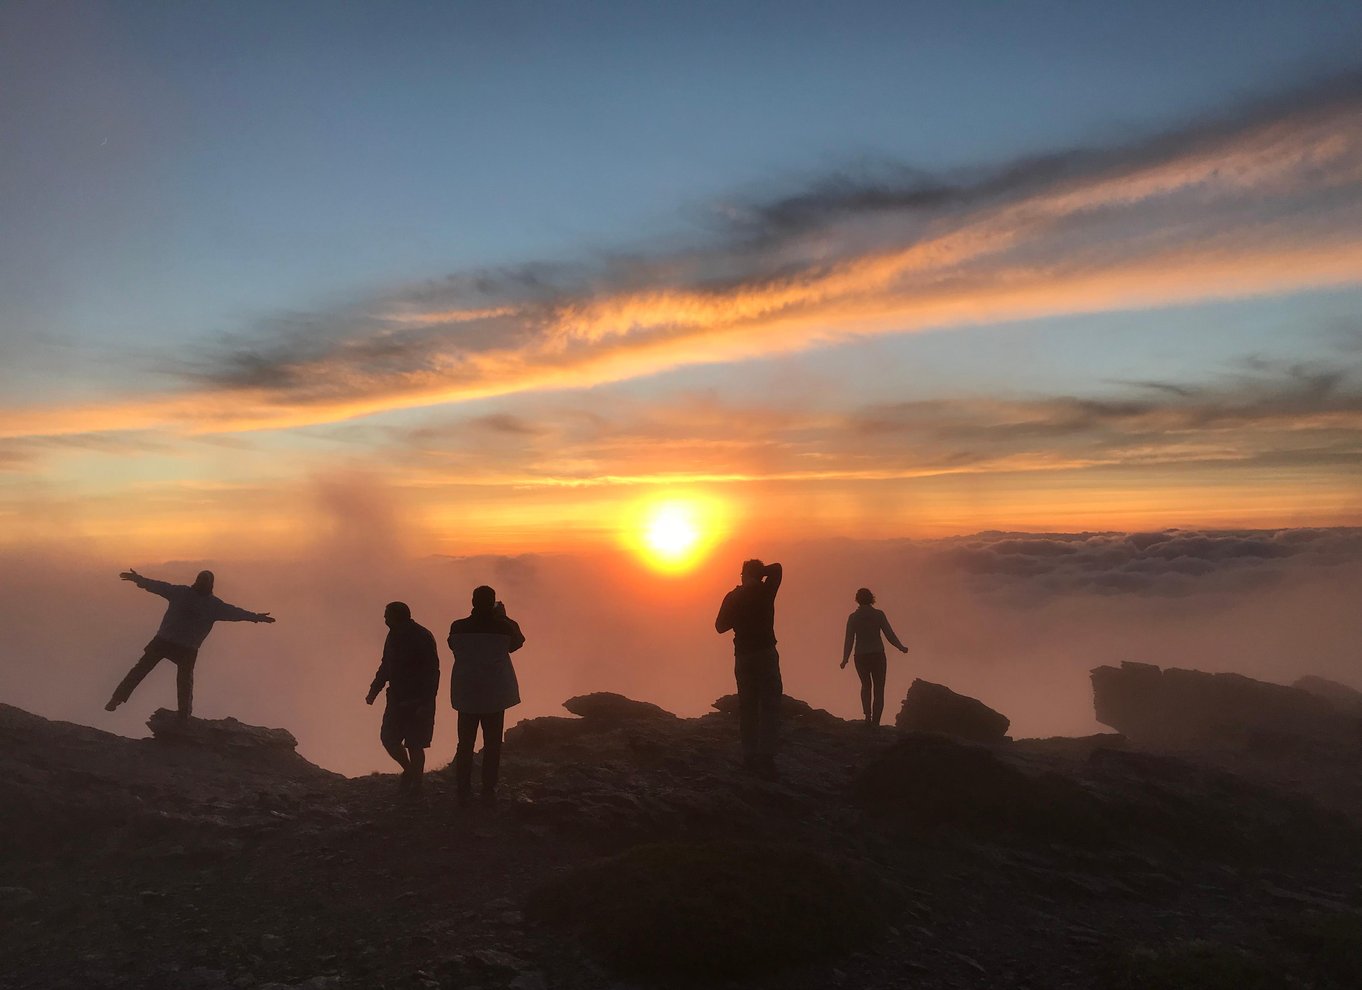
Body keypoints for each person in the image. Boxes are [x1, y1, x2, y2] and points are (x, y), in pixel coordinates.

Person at [105, 568, 274, 718]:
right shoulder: (210, 604)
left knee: (148, 672)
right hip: (181, 645)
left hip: (170, 642)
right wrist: (256, 617)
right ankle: (182, 715)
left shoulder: (188, 596)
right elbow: (236, 613)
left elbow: (158, 586)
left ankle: (119, 700)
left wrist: (256, 617)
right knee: (179, 680)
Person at [447, 586, 525, 808]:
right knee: (492, 744)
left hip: (467, 692)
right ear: (492, 603)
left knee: (465, 743)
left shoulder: (458, 626)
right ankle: (488, 789)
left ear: (472, 601)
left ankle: (463, 790)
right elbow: (518, 642)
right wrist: (503, 616)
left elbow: (452, 645)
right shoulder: (502, 627)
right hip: (494, 693)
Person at [715, 558, 783, 779]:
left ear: (744, 575)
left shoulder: (733, 597)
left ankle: (749, 755)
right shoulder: (766, 591)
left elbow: (720, 627)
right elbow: (777, 569)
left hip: (743, 656)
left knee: (748, 705)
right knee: (770, 704)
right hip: (765, 652)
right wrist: (757, 575)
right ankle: (767, 756)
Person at [366, 601, 440, 796]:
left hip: (418, 700)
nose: (384, 619)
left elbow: (432, 671)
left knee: (415, 744)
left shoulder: (422, 636)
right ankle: (409, 771)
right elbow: (386, 666)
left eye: (387, 615)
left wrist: (425, 701)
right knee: (389, 738)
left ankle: (417, 785)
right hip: (397, 698)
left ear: (397, 617)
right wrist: (374, 689)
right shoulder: (392, 636)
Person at [840, 587, 909, 727]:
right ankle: (876, 722)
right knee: (879, 688)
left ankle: (867, 717)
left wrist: (845, 659)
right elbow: (889, 635)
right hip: (877, 655)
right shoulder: (878, 615)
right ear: (872, 598)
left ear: (857, 600)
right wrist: (901, 647)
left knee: (865, 686)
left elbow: (849, 639)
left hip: (860, 656)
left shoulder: (853, 617)